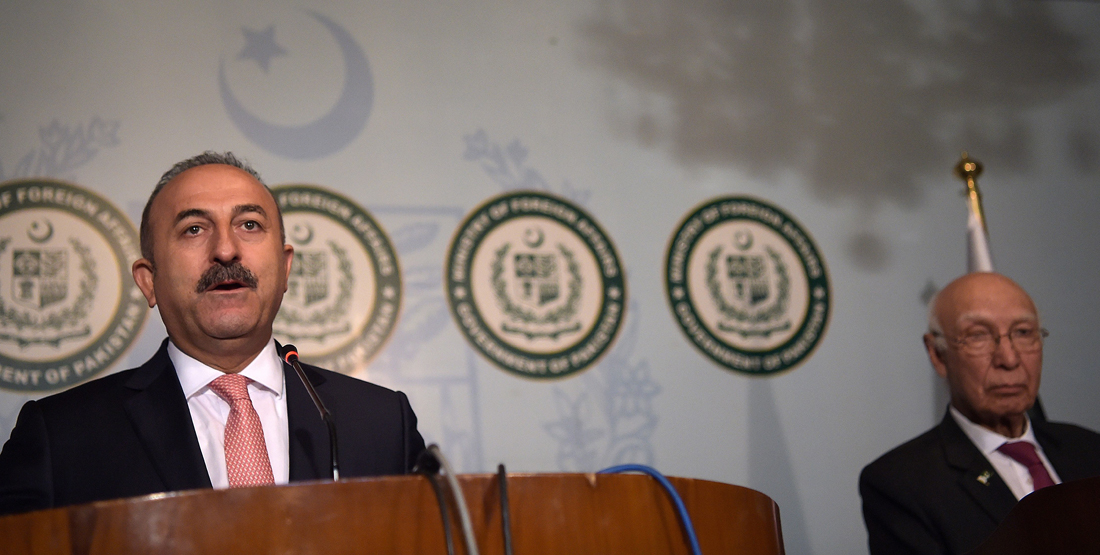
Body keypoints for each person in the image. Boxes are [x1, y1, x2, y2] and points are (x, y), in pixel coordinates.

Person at [0, 152, 425, 515]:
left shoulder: (381, 423)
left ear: (285, 268)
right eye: (194, 229)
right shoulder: (61, 437)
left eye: (250, 225)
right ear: (149, 281)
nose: (225, 249)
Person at [859, 272, 1100, 555]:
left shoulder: (1088, 448)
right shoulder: (900, 485)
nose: (1009, 359)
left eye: (1023, 332)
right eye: (978, 336)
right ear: (937, 354)